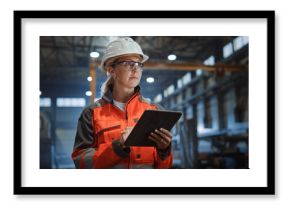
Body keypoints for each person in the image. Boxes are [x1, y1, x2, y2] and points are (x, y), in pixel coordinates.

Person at [71, 37, 173, 169]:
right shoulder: (91, 114)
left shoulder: (155, 110)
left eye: (139, 64)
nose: (136, 69)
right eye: (128, 63)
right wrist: (118, 146)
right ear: (111, 69)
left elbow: (165, 168)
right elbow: (81, 163)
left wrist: (164, 150)